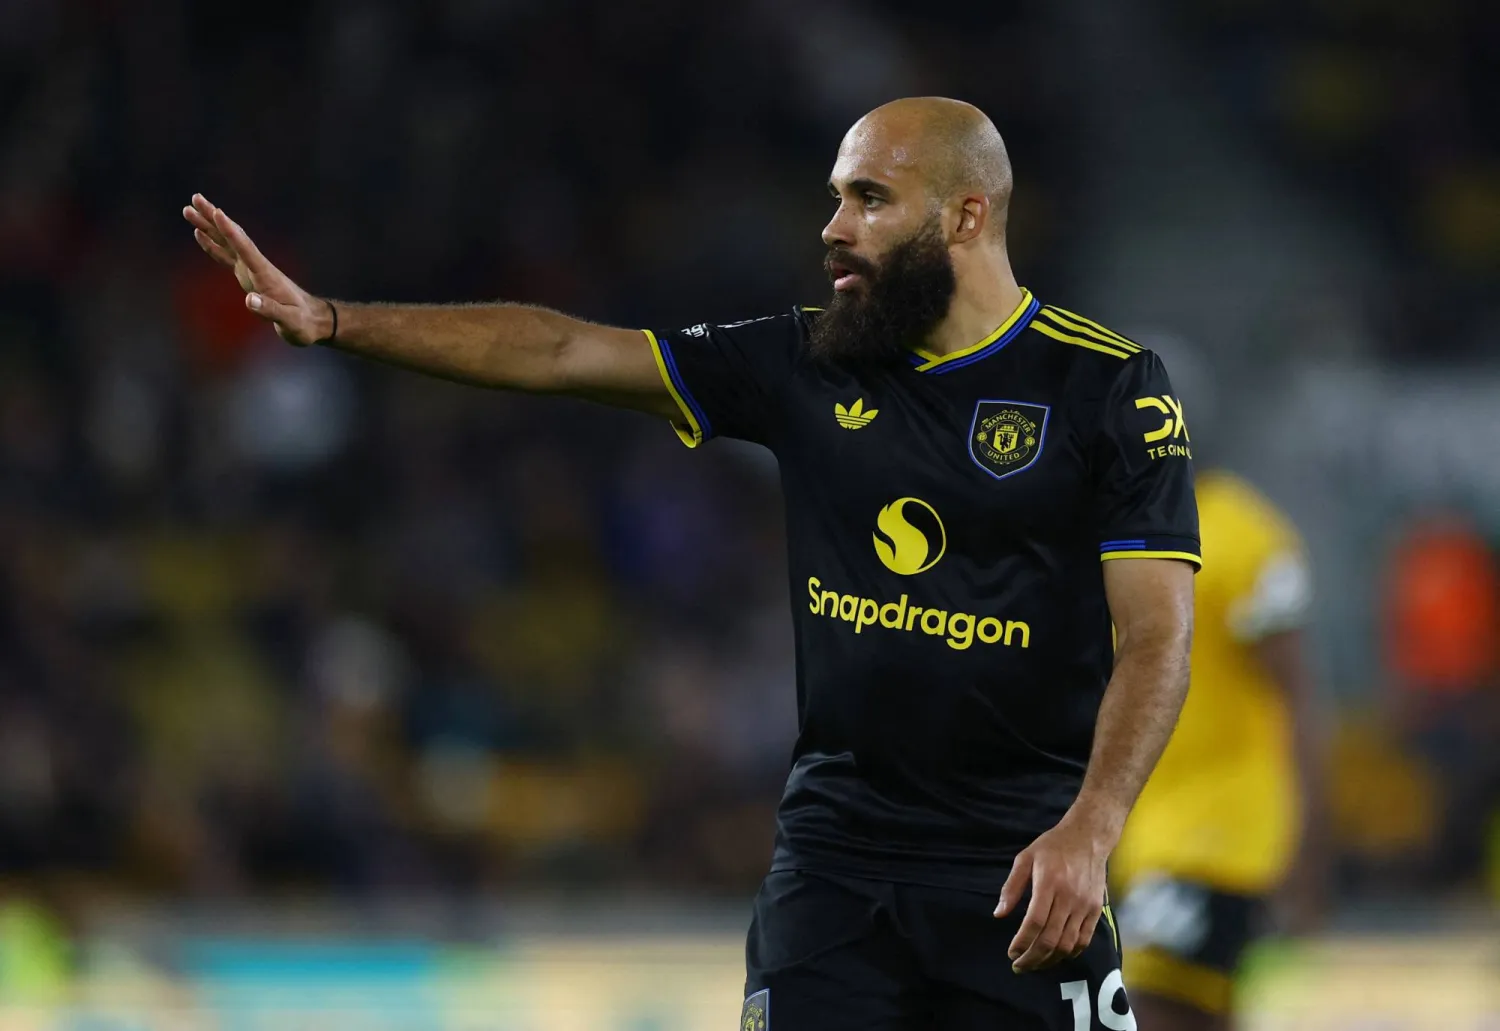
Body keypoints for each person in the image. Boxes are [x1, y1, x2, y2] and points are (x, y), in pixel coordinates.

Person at [183, 96, 1198, 1030]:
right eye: (836, 198)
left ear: (967, 217)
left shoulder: (1105, 388)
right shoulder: (808, 360)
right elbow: (564, 353)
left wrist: (1091, 828)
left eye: (870, 201)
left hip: (1024, 872)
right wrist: (331, 319)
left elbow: (1156, 635)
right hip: (833, 875)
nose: (833, 229)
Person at [1111, 468, 1324, 1030]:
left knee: (1151, 1012)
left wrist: (1309, 844)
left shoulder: (1243, 534)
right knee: (1199, 1014)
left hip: (1217, 837)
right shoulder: (1110, 534)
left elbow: (1296, 694)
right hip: (1151, 836)